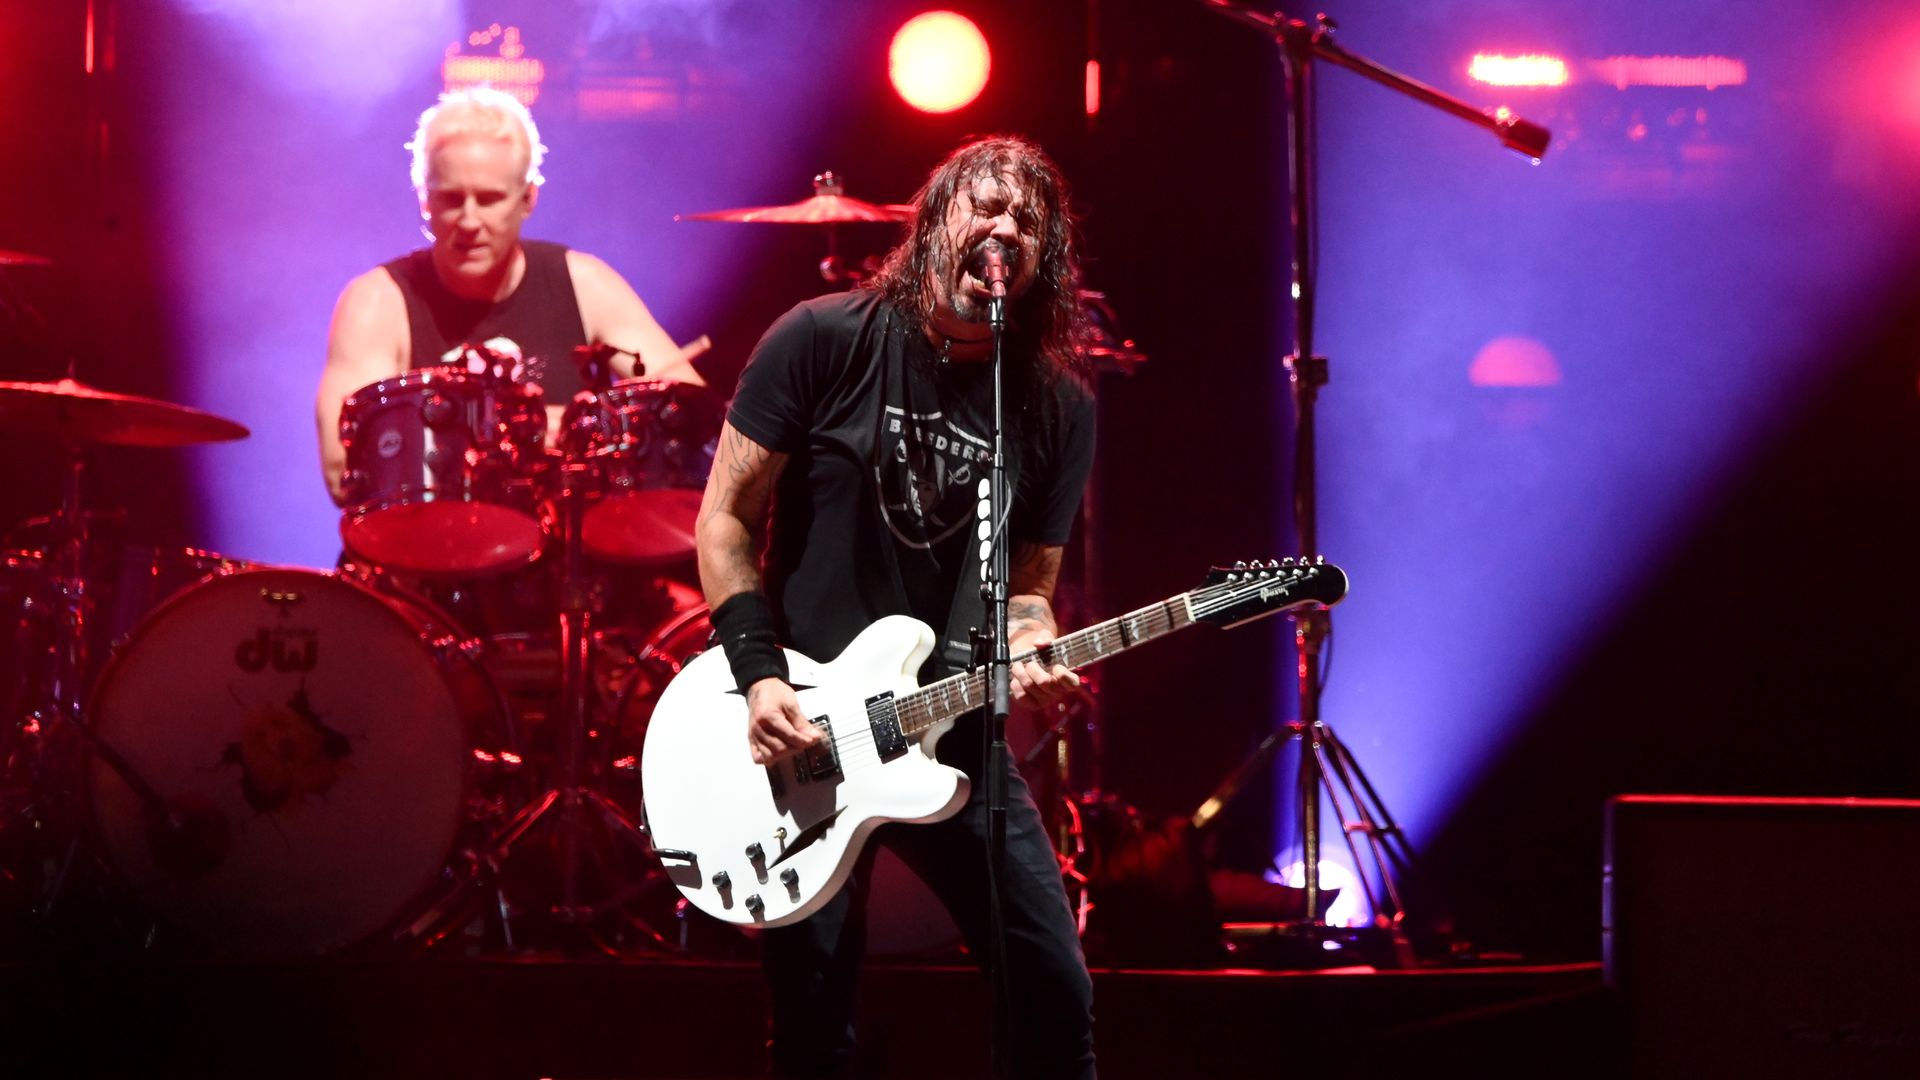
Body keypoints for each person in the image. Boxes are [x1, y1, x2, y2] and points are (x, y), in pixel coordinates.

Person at [695, 135, 1098, 1079]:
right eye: (984, 206)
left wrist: (1034, 644)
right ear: (933, 224)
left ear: (1045, 261)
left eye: (1026, 220)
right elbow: (723, 520)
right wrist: (758, 677)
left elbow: (1029, 589)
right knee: (814, 1014)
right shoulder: (821, 339)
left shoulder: (1052, 408)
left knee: (1055, 993)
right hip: (809, 735)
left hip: (954, 733)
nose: (1003, 227)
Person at [315, 86, 704, 505]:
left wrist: (593, 429)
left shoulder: (585, 284)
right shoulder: (377, 302)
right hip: (429, 557)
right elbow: (344, 469)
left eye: (489, 199)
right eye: (450, 199)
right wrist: (532, 431)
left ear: (528, 199)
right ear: (424, 199)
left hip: (566, 557)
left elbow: (689, 417)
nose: (469, 220)